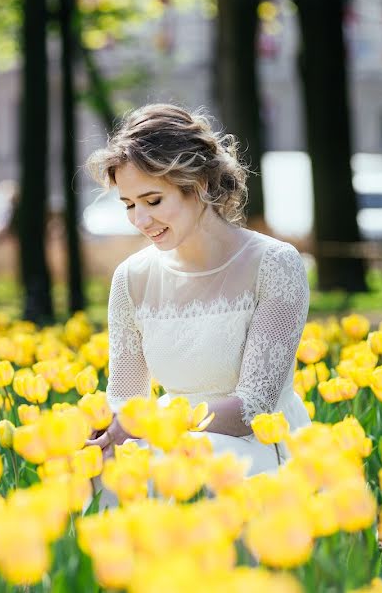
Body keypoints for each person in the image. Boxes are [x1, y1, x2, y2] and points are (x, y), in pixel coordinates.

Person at [84, 103, 311, 475]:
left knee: (171, 468)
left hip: (258, 449)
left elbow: (252, 410)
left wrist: (153, 425)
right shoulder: (132, 278)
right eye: (129, 205)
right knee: (101, 469)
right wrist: (106, 430)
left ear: (200, 183)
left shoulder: (273, 264)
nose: (140, 220)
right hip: (172, 444)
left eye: (153, 201)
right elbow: (126, 401)